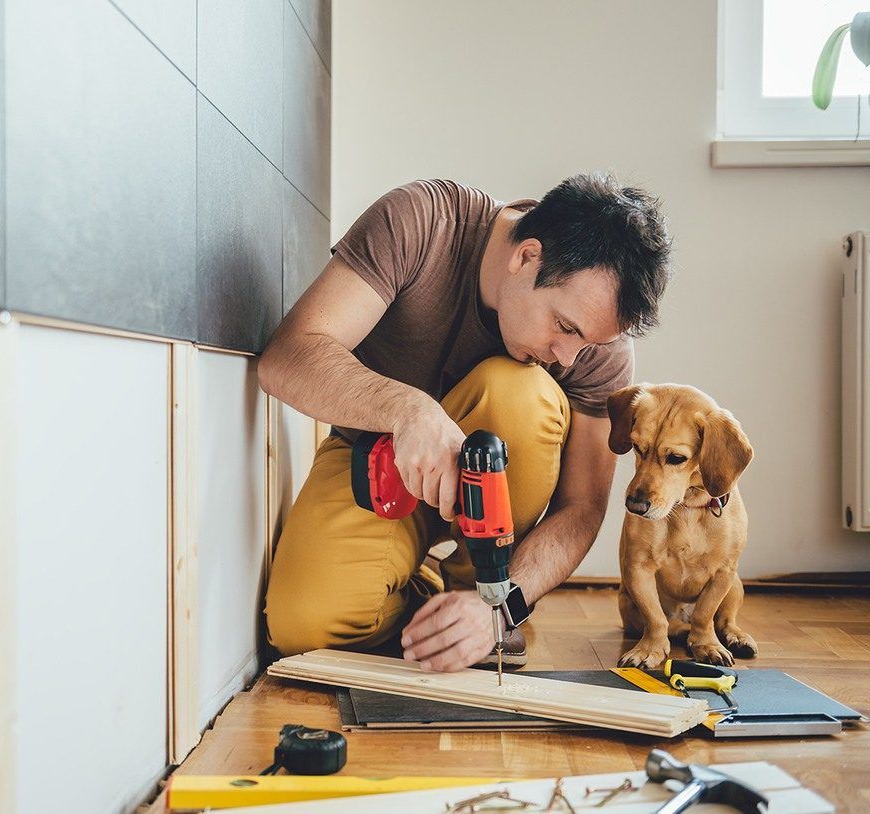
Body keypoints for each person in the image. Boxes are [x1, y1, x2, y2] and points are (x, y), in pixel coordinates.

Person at [259, 174, 672, 672]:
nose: (567, 357)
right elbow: (285, 358)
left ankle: (480, 600)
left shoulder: (596, 347)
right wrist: (407, 409)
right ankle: (431, 594)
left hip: (497, 509)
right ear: (527, 256)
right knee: (305, 626)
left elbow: (582, 509)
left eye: (585, 342)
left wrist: (500, 608)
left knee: (517, 390)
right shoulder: (422, 222)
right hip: (378, 457)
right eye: (564, 327)